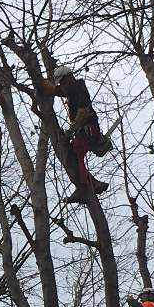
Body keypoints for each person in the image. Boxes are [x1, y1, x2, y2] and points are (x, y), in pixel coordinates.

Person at [41, 65, 111, 204]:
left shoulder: (77, 87)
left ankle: (84, 187)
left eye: (62, 82)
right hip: (84, 128)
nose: (62, 86)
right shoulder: (70, 89)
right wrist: (38, 78)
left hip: (87, 127)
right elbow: (53, 90)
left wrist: (71, 129)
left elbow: (83, 110)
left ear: (68, 77)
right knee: (72, 154)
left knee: (76, 152)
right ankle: (92, 182)